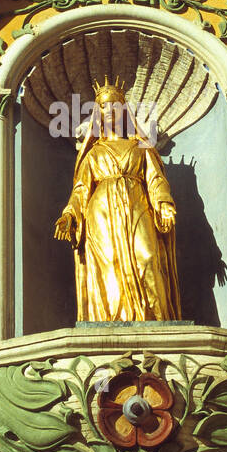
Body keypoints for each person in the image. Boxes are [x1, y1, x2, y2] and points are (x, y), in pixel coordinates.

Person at [54, 76, 180, 322]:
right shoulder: (93, 153)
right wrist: (70, 214)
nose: (109, 111)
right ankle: (111, 320)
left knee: (148, 257)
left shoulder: (140, 147)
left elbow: (155, 180)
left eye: (115, 106)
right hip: (100, 211)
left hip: (137, 205)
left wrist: (164, 203)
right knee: (109, 263)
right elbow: (81, 189)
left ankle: (155, 320)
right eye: (104, 107)